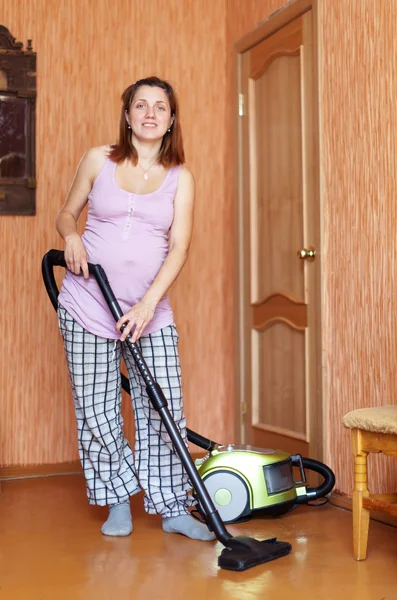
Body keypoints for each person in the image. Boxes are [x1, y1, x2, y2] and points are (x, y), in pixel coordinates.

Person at [55, 76, 215, 541]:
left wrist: (148, 305)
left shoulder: (180, 178)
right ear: (127, 116)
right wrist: (70, 236)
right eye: (140, 105)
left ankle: (171, 507)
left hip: (149, 312)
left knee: (163, 407)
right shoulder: (97, 159)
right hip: (87, 305)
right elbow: (67, 213)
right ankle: (118, 502)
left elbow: (180, 247)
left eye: (159, 107)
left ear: (170, 120)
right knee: (98, 410)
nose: (149, 113)